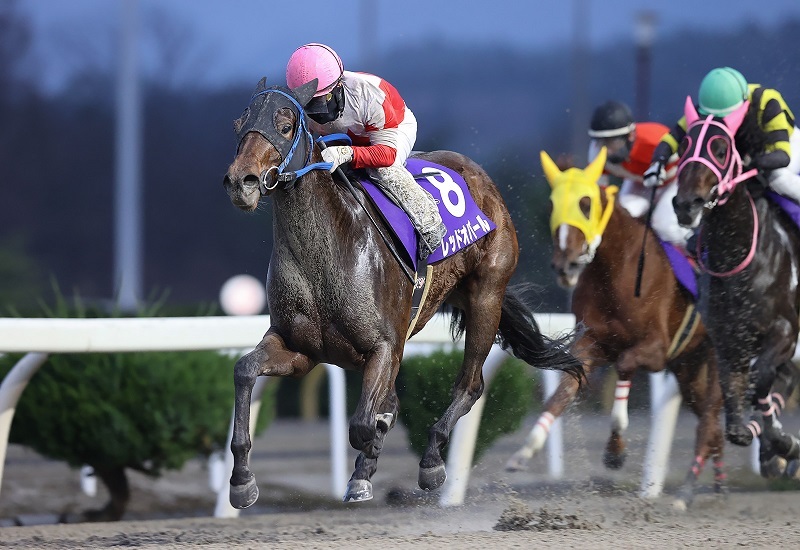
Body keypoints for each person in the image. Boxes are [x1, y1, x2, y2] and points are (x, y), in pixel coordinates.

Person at [285, 43, 446, 260]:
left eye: (323, 100)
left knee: (383, 171)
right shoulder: (297, 106)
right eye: (308, 103)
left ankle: (430, 226)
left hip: (391, 131)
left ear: (339, 84)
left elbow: (386, 155)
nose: (317, 111)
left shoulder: (370, 94)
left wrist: (348, 154)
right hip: (346, 137)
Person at [645, 66, 800, 204]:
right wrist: (658, 162)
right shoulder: (708, 109)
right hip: (741, 153)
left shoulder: (768, 102)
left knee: (778, 177)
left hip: (782, 145)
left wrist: (752, 164)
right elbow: (673, 137)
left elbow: (782, 155)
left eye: (727, 117)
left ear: (743, 105)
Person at [587, 100, 691, 248]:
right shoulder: (597, 152)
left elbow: (689, 164)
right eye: (602, 142)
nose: (607, 149)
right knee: (623, 219)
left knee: (664, 225)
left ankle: (695, 257)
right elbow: (600, 194)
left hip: (674, 181)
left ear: (630, 136)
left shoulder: (654, 141)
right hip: (640, 183)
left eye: (612, 142)